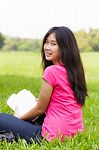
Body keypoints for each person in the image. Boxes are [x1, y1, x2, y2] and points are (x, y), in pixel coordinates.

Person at [0, 26, 88, 143]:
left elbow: (40, 109)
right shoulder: (75, 71)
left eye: (53, 44)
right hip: (74, 134)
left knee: (2, 118)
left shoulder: (52, 71)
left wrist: (18, 120)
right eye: (46, 43)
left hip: (49, 136)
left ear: (65, 48)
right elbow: (63, 99)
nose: (47, 47)